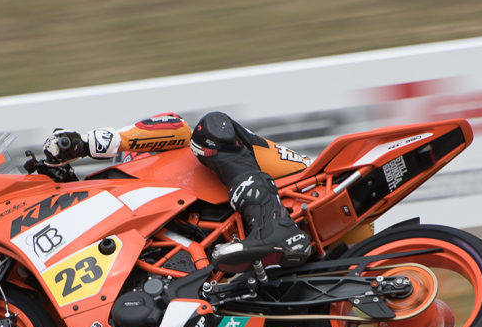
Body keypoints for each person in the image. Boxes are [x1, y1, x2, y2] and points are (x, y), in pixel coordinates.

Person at [42, 112, 313, 269]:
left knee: (209, 129)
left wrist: (85, 144)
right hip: (244, 226)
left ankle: (276, 229)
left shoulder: (157, 146)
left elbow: (177, 125)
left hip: (300, 178)